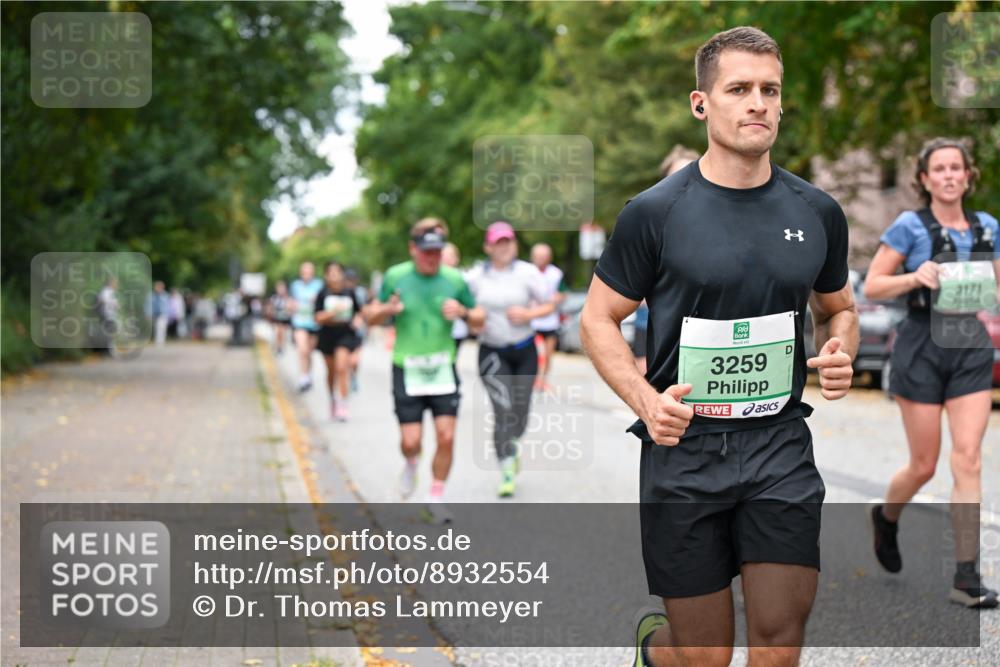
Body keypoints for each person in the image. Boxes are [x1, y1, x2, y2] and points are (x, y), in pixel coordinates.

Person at [579, 27, 859, 667]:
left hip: (779, 447)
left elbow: (838, 307)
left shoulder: (817, 211)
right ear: (701, 103)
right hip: (685, 450)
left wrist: (839, 347)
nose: (758, 103)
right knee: (704, 656)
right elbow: (598, 320)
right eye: (739, 89)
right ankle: (656, 653)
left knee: (777, 643)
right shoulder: (654, 213)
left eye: (770, 90)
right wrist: (646, 402)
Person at [863, 137, 999, 608]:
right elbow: (876, 284)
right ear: (924, 179)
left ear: (967, 176)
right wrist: (913, 277)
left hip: (969, 344)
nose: (947, 175)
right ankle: (886, 516)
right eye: (937, 168)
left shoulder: (987, 228)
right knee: (924, 464)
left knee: (969, 458)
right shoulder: (908, 226)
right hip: (921, 343)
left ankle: (965, 577)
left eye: (955, 167)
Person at [365, 219, 484, 520]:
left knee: (446, 437)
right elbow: (370, 316)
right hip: (407, 367)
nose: (432, 258)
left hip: (443, 367)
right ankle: (411, 464)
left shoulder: (455, 279)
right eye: (426, 252)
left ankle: (436, 495)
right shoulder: (395, 276)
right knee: (411, 441)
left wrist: (464, 312)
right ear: (412, 249)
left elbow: (480, 318)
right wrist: (387, 310)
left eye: (437, 251)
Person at [466, 222, 557, 498]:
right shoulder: (474, 278)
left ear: (514, 245)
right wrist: (473, 322)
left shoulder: (528, 273)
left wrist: (530, 316)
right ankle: (506, 469)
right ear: (488, 247)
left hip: (525, 349)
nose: (504, 247)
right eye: (498, 242)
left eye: (508, 241)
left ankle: (513, 445)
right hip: (492, 352)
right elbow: (465, 313)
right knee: (502, 410)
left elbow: (551, 304)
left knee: (520, 412)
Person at [314, 262, 363, 421]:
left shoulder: (349, 292)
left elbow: (359, 312)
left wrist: (358, 320)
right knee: (331, 371)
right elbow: (317, 317)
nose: (334, 276)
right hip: (327, 334)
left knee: (342, 367)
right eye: (331, 273)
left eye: (337, 272)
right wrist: (332, 313)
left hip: (345, 334)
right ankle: (332, 399)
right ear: (326, 276)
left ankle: (343, 403)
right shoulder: (322, 293)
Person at [529, 243, 567, 392]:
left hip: (550, 321)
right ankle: (533, 379)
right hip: (532, 321)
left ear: (549, 257)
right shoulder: (528, 272)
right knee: (535, 354)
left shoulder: (556, 273)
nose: (541, 259)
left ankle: (543, 380)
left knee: (548, 354)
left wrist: (558, 298)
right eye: (538, 256)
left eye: (544, 256)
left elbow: (563, 292)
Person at [288, 262, 324, 392]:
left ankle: (308, 375)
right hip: (299, 322)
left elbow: (323, 302)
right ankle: (303, 377)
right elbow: (291, 302)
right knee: (302, 350)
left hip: (314, 324)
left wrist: (317, 301)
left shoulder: (319, 285)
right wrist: (291, 306)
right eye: (304, 272)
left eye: (309, 272)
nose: (306, 274)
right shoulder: (295, 286)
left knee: (309, 352)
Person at [442, 243, 471, 350]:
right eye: (442, 256)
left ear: (456, 259)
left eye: (449, 256)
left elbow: (472, 305)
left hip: (457, 330)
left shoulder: (463, 278)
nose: (445, 260)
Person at [343, 268, 367, 393]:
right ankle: (347, 378)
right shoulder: (341, 292)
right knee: (346, 358)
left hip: (358, 331)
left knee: (355, 360)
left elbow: (364, 309)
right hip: (344, 331)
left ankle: (353, 376)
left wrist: (360, 320)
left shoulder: (361, 293)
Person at [267, 280, 292, 355]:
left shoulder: (288, 298)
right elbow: (269, 309)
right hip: (276, 319)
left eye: (282, 288)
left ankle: (281, 346)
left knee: (282, 332)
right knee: (278, 331)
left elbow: (291, 309)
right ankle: (278, 346)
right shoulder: (274, 298)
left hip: (285, 320)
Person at [146, 281, 170, 347]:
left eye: (160, 287)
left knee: (161, 328)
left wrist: (168, 315)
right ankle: (158, 341)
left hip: (163, 314)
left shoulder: (165, 295)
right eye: (157, 287)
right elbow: (148, 305)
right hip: (154, 314)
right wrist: (148, 314)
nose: (158, 288)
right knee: (156, 328)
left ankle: (160, 342)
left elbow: (168, 306)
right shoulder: (151, 295)